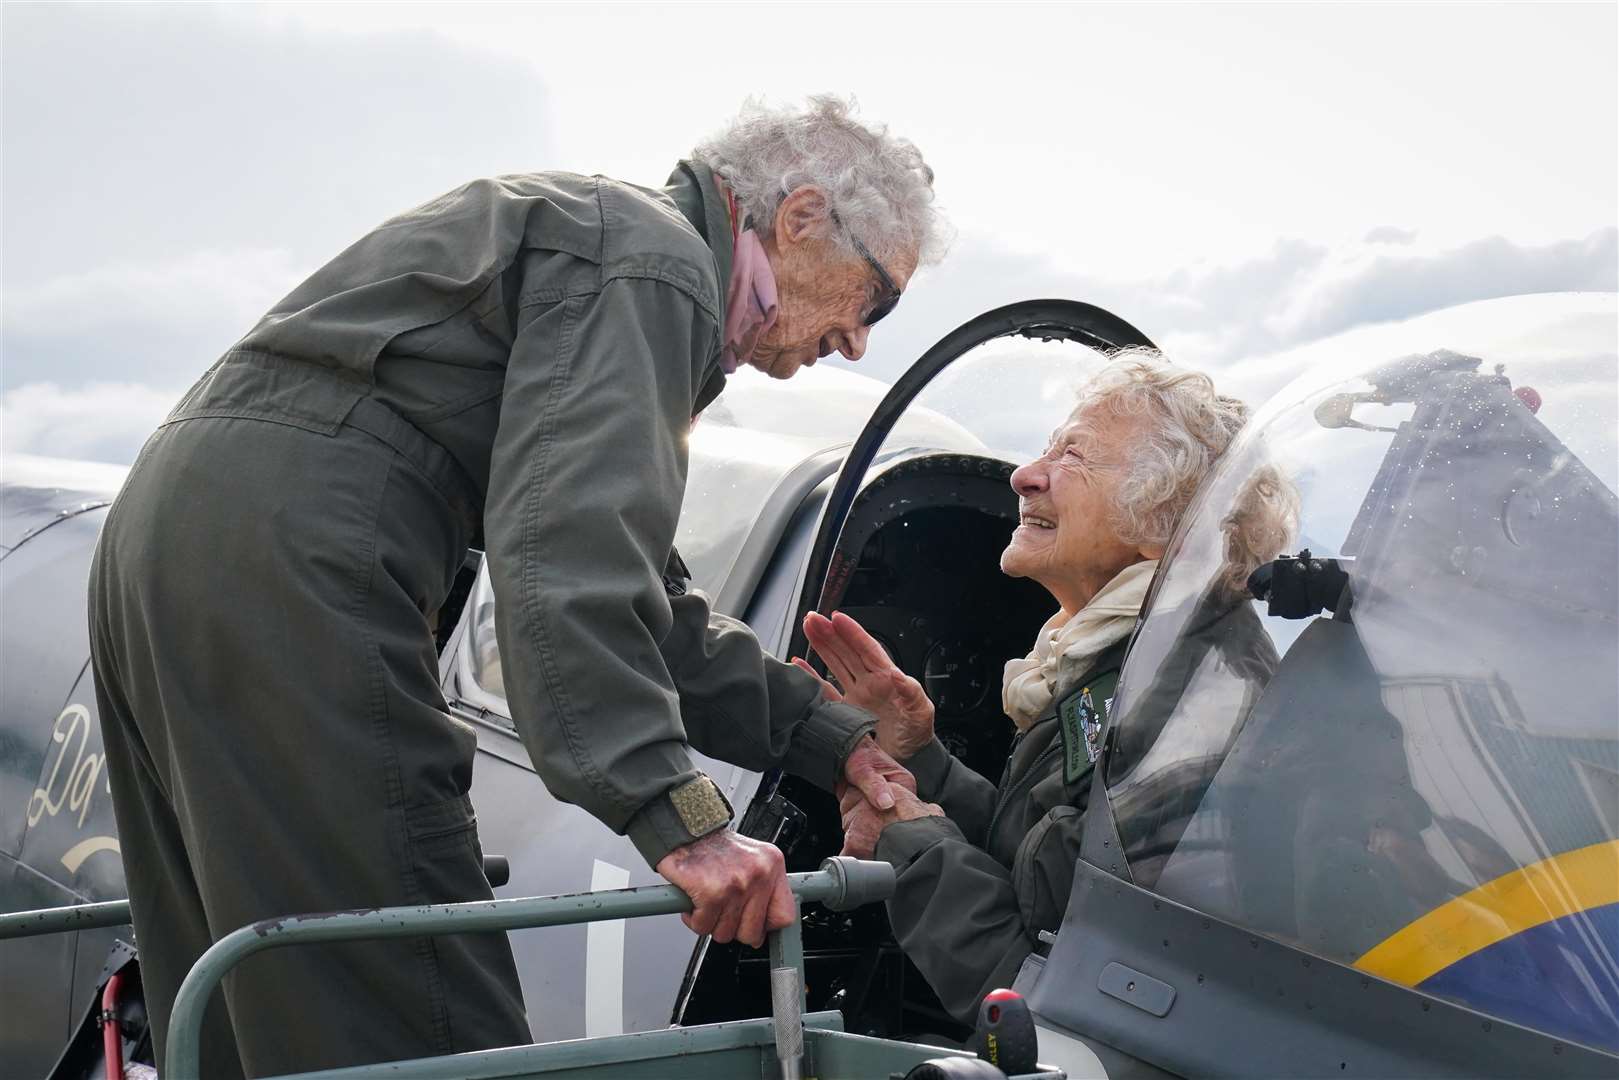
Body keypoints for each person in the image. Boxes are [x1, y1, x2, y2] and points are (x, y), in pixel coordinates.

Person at [88, 96, 945, 1077]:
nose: (856, 340)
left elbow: (646, 609)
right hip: (303, 570)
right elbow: (574, 566)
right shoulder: (654, 263)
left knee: (255, 1001)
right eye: (871, 299)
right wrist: (679, 818)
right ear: (796, 219)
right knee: (413, 1006)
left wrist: (828, 740)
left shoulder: (599, 237)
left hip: (173, 540)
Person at [799, 355, 1256, 1025]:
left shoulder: (1194, 701)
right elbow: (1038, 865)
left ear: (1163, 517)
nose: (1025, 475)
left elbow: (1049, 997)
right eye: (1046, 447)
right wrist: (921, 762)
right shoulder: (1118, 663)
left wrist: (910, 843)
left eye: (1073, 456)